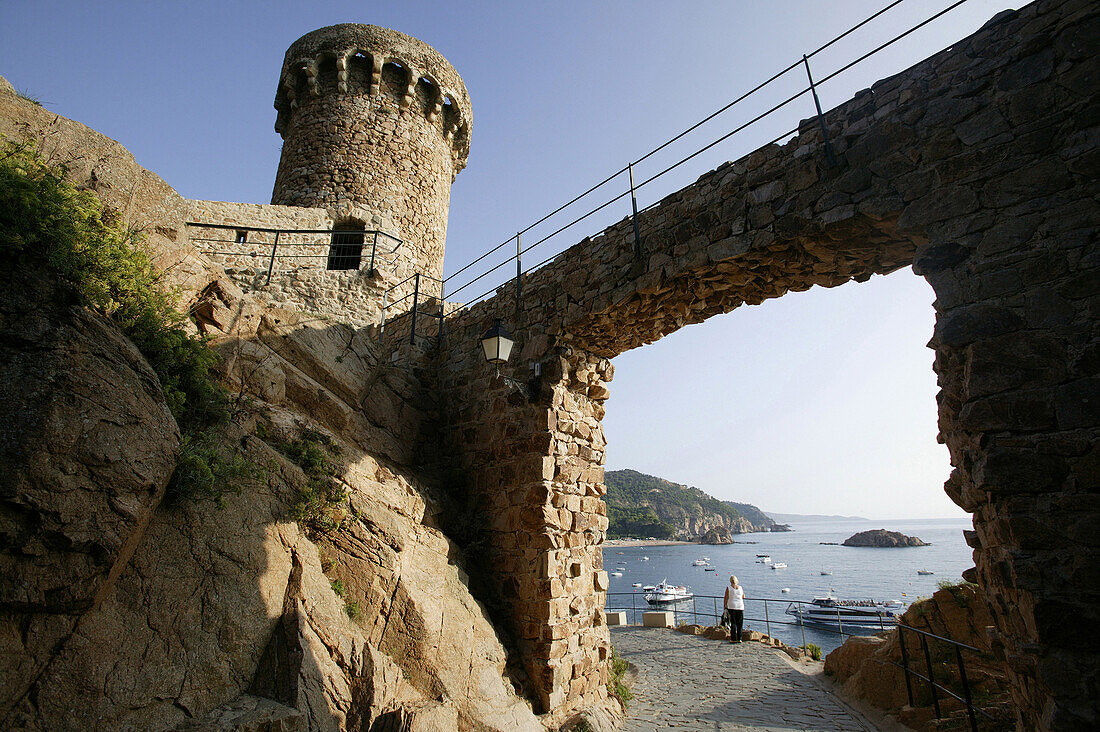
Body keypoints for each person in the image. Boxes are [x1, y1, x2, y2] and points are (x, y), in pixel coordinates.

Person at [724, 575, 745, 643]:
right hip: (740, 607)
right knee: (740, 623)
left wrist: (724, 606)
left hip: (732, 606)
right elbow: (743, 596)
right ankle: (739, 638)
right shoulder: (740, 588)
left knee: (733, 623)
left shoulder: (729, 588)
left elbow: (726, 597)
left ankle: (733, 639)